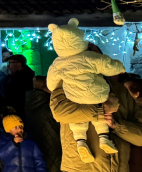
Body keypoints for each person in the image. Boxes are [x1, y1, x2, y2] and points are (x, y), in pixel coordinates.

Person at [46, 19, 127, 162]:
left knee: (77, 121)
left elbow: (51, 83)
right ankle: (104, 138)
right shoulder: (90, 57)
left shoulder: (57, 63)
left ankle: (80, 142)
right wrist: (120, 67)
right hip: (97, 94)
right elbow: (107, 65)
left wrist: (57, 87)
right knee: (100, 112)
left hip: (73, 97)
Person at [25, 76, 73, 172]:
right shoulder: (50, 105)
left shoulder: (31, 102)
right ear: (47, 88)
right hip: (54, 149)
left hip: (38, 148)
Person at [0, 54, 35, 118]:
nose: (8, 66)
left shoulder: (22, 79)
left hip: (20, 114)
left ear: (18, 64)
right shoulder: (15, 77)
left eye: (10, 63)